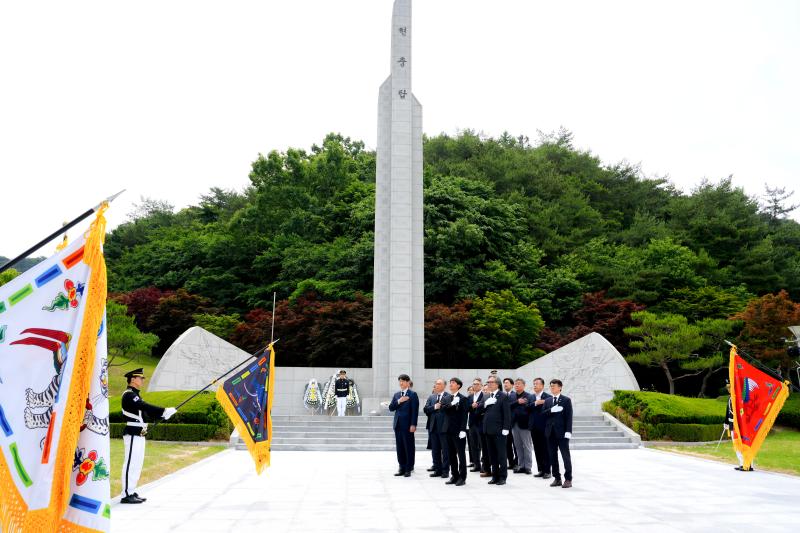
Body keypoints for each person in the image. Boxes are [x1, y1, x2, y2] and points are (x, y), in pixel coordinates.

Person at [120, 368, 177, 504]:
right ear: (132, 379)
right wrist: (163, 410)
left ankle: (131, 491)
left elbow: (145, 413)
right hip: (133, 433)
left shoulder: (136, 395)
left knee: (137, 464)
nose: (142, 380)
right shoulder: (129, 394)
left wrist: (163, 415)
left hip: (139, 434)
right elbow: (144, 406)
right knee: (131, 463)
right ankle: (126, 494)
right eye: (140, 378)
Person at [541, 379, 573, 488]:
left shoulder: (566, 400)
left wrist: (568, 431)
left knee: (565, 456)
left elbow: (569, 417)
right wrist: (551, 410)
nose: (552, 388)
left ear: (560, 387)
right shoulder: (548, 401)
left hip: (562, 433)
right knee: (552, 456)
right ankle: (557, 478)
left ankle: (568, 479)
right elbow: (543, 414)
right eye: (551, 386)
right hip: (550, 433)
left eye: (554, 386)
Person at [481, 375, 511, 485]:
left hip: (499, 430)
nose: (488, 384)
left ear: (497, 384)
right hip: (488, 430)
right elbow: (479, 409)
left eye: (491, 382)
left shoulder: (503, 396)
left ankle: (502, 477)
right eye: (488, 382)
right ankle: (495, 476)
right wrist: (485, 403)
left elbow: (507, 414)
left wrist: (506, 428)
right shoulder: (487, 396)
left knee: (501, 455)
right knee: (492, 455)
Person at [389, 374, 419, 477]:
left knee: (408, 447)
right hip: (398, 425)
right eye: (400, 381)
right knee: (400, 447)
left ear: (407, 382)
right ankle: (401, 467)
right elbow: (391, 408)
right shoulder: (397, 395)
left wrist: (413, 424)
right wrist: (399, 401)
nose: (401, 383)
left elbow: (415, 411)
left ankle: (408, 468)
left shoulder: (413, 394)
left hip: (408, 425)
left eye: (402, 381)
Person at [442, 377, 469, 486]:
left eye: (453, 383)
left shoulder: (463, 399)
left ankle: (462, 477)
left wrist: (463, 430)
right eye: (450, 383)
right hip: (448, 429)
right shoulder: (447, 398)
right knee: (451, 454)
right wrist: (452, 404)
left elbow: (464, 415)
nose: (451, 384)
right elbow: (443, 409)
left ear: (458, 385)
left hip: (458, 431)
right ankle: (454, 475)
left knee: (461, 455)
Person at [423, 379, 451, 478]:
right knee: (435, 450)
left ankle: (445, 471)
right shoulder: (432, 397)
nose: (437, 385)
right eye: (436, 384)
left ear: (444, 386)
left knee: (445, 450)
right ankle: (437, 470)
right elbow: (426, 409)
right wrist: (434, 407)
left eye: (439, 384)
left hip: (444, 428)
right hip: (433, 427)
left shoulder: (449, 397)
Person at [509, 378, 534, 474]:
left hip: (525, 425)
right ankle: (521, 465)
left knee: (527, 446)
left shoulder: (529, 396)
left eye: (519, 384)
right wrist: (517, 402)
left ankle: (528, 467)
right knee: (518, 446)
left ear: (524, 385)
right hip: (514, 424)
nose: (516, 385)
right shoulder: (511, 396)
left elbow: (530, 409)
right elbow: (508, 406)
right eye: (515, 384)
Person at [725, 380, 750, 471]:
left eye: (730, 387)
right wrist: (726, 423)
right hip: (733, 425)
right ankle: (743, 463)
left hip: (738, 426)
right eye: (727, 387)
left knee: (741, 444)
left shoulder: (737, 398)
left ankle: (746, 464)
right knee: (738, 445)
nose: (728, 389)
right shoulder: (731, 398)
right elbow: (728, 412)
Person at [529, 377, 552, 478]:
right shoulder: (531, 397)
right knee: (537, 449)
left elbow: (551, 410)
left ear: (542, 385)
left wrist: (544, 402)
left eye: (537, 384)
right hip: (534, 427)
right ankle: (541, 470)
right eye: (534, 384)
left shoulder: (548, 397)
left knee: (545, 449)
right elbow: (526, 407)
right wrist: (535, 403)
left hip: (544, 427)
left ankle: (547, 471)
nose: (535, 385)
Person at [467, 378, 484, 473]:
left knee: (482, 445)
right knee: (473, 445)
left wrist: (477, 405)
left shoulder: (484, 395)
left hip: (481, 423)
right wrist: (471, 406)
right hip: (472, 423)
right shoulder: (470, 397)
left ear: (481, 385)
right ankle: (476, 464)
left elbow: (485, 406)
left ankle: (484, 465)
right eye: (474, 384)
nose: (475, 385)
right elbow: (467, 408)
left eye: (477, 384)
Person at [502, 377, 517, 469]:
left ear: (512, 385)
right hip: (505, 424)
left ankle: (516, 462)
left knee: (516, 445)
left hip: (514, 423)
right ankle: (510, 462)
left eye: (507, 383)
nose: (505, 384)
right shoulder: (502, 395)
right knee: (507, 444)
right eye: (504, 383)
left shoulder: (515, 395)